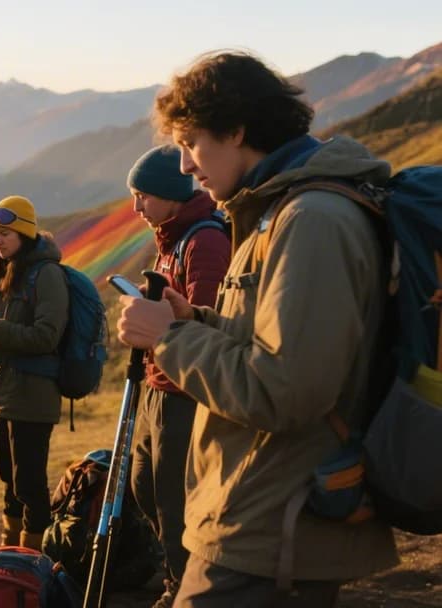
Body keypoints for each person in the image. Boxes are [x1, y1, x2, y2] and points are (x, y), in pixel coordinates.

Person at [116, 51, 397, 607]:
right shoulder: (278, 212)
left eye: (191, 143)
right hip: (261, 513)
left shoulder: (312, 220)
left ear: (236, 129)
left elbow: (284, 388)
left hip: (274, 526)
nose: (184, 166)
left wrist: (169, 340)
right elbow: (274, 342)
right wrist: (194, 320)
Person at [126, 145, 230, 607]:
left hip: (182, 391)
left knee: (173, 499)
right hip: (156, 381)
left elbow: (204, 322)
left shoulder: (204, 241)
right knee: (144, 486)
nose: (136, 207)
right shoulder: (171, 239)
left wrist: (161, 330)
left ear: (169, 195)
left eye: (142, 196)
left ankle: (181, 589)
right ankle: (176, 572)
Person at [0, 195, 68, 551]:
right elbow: (2, 337)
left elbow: (46, 336)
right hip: (2, 394)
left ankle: (33, 559)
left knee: (30, 484)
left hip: (33, 397)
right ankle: (9, 552)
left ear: (24, 232)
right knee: (9, 480)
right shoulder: (3, 272)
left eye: (6, 233)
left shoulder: (47, 274)